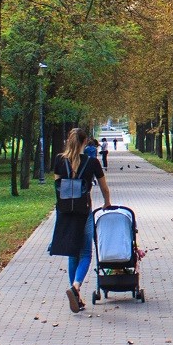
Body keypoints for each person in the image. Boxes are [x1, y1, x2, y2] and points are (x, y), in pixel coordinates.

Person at [49, 127, 111, 313]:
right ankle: (75, 287)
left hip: (65, 212)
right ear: (85, 142)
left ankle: (76, 295)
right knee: (85, 253)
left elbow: (57, 186)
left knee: (71, 253)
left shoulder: (60, 160)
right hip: (84, 212)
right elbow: (104, 187)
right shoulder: (92, 163)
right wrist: (107, 203)